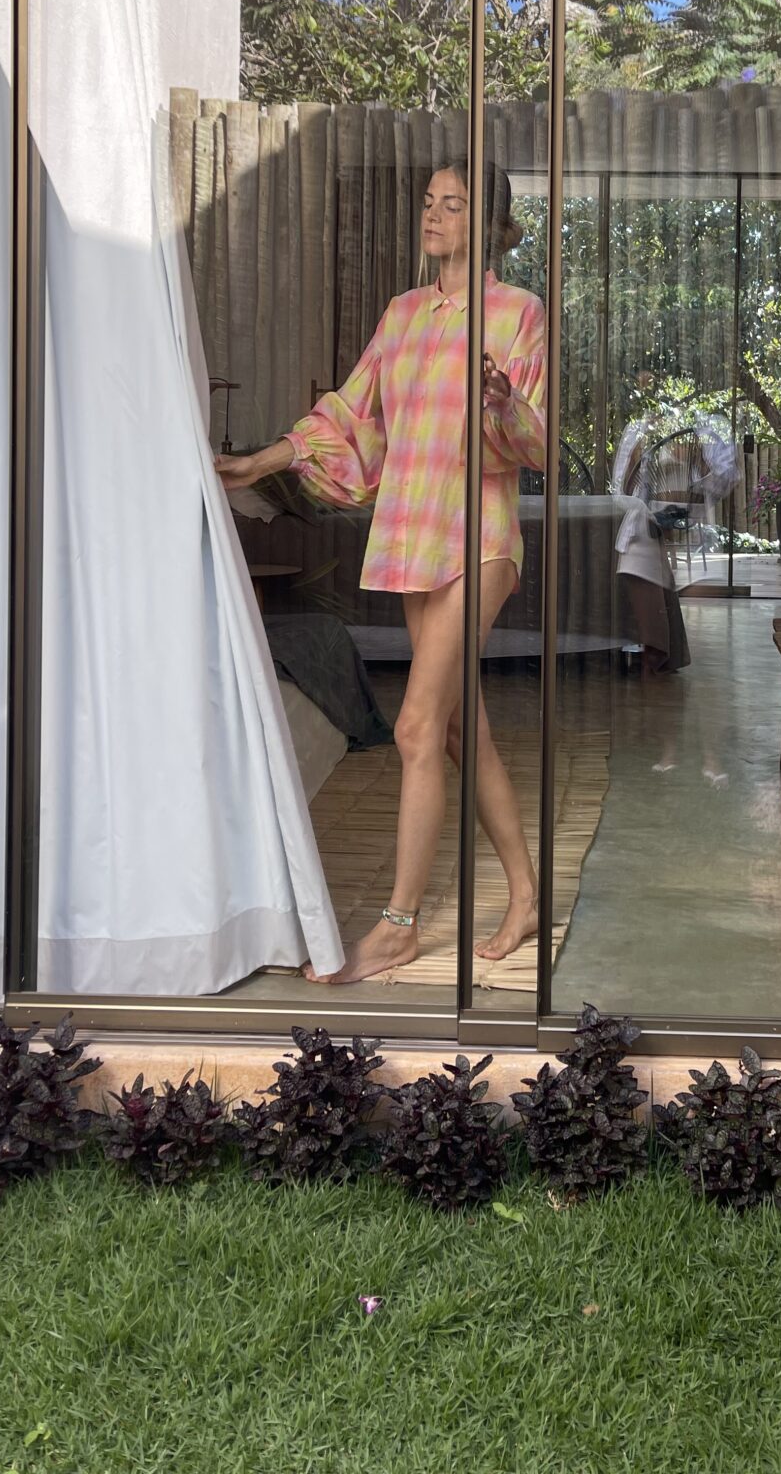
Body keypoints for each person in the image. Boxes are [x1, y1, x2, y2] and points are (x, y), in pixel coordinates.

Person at [215, 161, 545, 984]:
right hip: (413, 534)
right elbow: (348, 413)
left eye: (452, 206)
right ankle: (528, 893)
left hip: (480, 537)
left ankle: (399, 924)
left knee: (415, 727)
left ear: (489, 224)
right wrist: (260, 462)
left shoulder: (518, 312)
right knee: (459, 731)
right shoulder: (401, 315)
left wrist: (502, 401)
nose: (432, 216)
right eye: (429, 203)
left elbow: (535, 441)